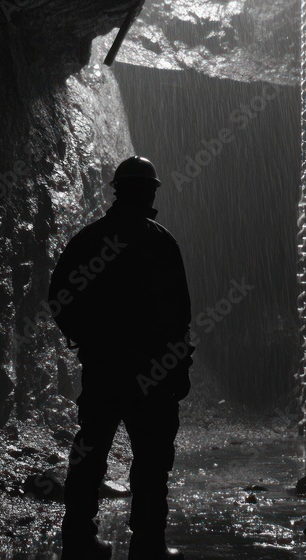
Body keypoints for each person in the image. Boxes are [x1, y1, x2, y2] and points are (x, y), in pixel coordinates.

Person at [49, 156, 192, 560]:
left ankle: (79, 539)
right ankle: (148, 543)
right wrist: (177, 364)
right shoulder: (162, 242)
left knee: (90, 452)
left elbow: (59, 297)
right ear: (149, 192)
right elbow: (181, 314)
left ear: (117, 190)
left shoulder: (90, 239)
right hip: (153, 373)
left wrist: (86, 339)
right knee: (151, 460)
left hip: (105, 369)